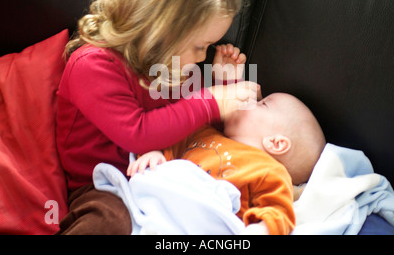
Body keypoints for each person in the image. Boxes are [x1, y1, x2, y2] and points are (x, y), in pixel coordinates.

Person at [55, 0, 258, 234]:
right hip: (106, 181)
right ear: (157, 28)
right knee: (107, 222)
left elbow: (183, 118)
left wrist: (218, 84)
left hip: (166, 167)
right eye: (201, 46)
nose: (204, 56)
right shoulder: (92, 65)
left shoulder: (168, 59)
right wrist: (212, 100)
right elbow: (138, 134)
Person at [128, 92, 326, 234]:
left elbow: (279, 211)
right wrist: (155, 153)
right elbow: (171, 141)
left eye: (263, 104)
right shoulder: (205, 132)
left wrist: (261, 229)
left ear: (276, 143)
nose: (251, 100)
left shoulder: (269, 170)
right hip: (166, 206)